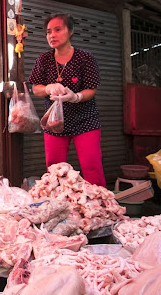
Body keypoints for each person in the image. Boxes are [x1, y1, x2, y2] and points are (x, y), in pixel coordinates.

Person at [29, 13, 106, 187]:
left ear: (70, 31)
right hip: (55, 122)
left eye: (58, 29)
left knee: (91, 165)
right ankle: (56, 204)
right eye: (49, 32)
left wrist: (76, 97)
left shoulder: (85, 58)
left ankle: (100, 207)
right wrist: (48, 88)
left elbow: (91, 90)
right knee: (54, 168)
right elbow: (35, 88)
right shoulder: (44, 59)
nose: (52, 35)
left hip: (85, 120)